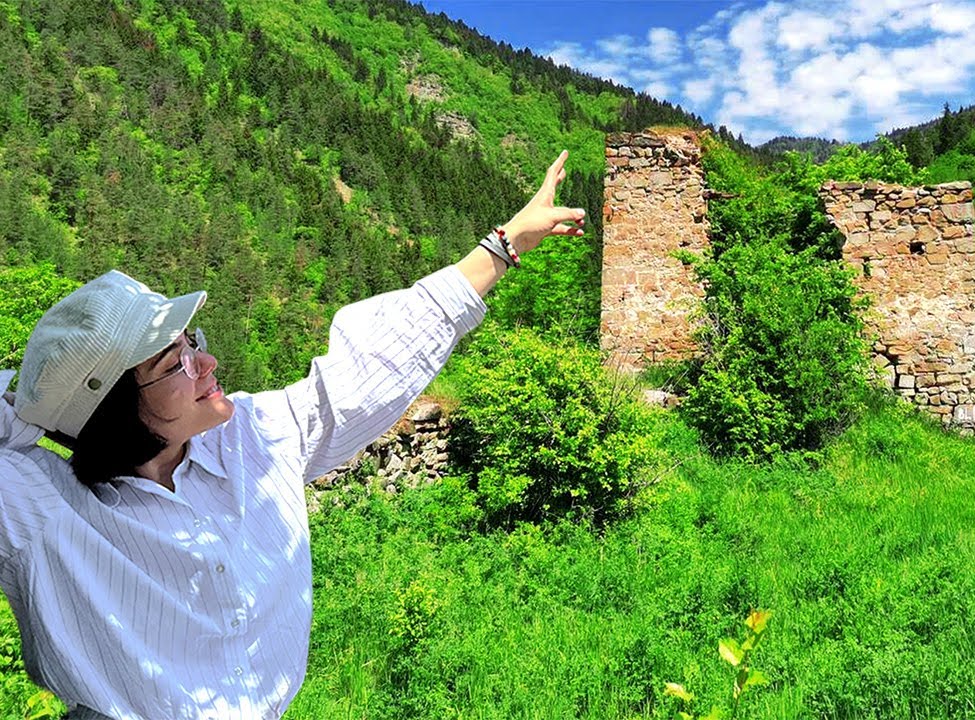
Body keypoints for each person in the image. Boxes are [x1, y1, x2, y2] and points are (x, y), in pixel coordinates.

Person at [0, 152, 585, 719]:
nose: (206, 363)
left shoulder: (249, 440)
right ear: (111, 409)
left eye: (190, 342)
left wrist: (504, 246)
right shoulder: (44, 509)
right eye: (172, 361)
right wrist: (28, 404)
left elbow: (367, 369)